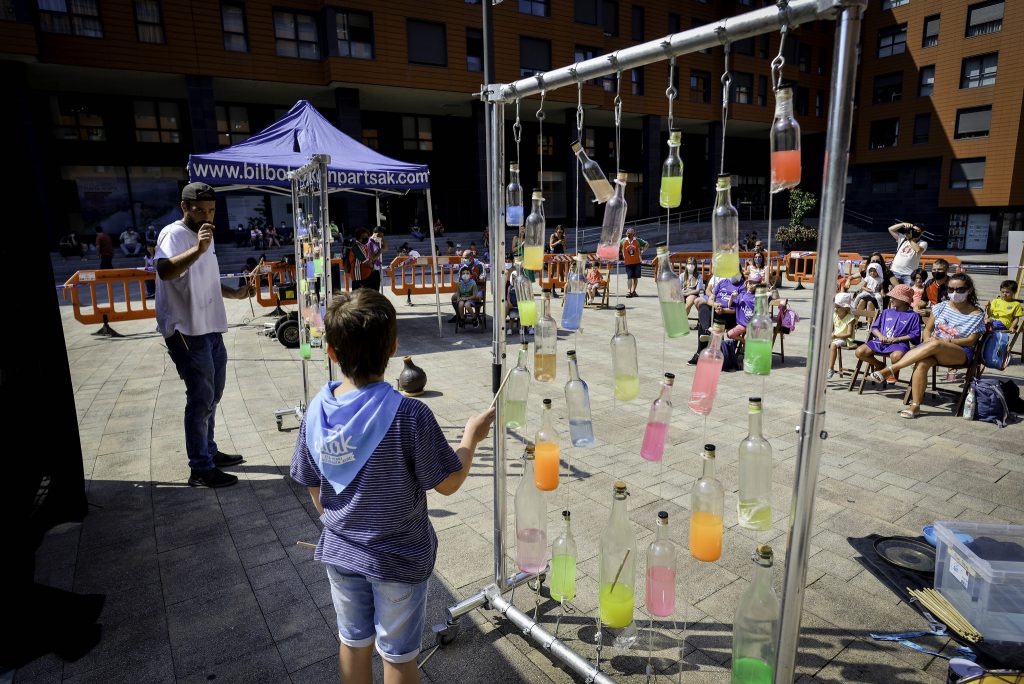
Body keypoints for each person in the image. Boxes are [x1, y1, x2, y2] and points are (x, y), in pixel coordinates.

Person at [288, 291, 494, 684]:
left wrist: (343, 522)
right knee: (398, 657)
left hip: (341, 552)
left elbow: (312, 486)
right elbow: (449, 482)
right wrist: (471, 437)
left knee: (353, 642)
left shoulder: (316, 411)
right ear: (394, 347)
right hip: (398, 558)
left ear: (331, 352)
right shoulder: (410, 413)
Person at [155, 182, 255, 488]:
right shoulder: (174, 234)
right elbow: (164, 271)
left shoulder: (205, 235)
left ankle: (208, 452)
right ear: (184, 206)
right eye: (200, 209)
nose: (207, 215)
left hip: (210, 326)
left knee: (214, 394)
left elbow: (206, 280)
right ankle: (200, 467)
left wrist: (236, 294)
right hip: (187, 329)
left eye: (211, 210)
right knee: (200, 398)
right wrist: (198, 248)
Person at [872, 274, 985, 418]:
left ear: (969, 290)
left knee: (936, 343)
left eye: (960, 289)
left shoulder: (976, 314)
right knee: (921, 363)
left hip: (960, 353)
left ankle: (891, 369)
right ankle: (915, 406)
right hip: (933, 348)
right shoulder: (940, 307)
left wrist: (945, 342)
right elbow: (927, 330)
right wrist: (927, 340)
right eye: (951, 289)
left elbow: (971, 340)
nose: (954, 293)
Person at [853, 283, 920, 387]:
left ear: (903, 300)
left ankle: (893, 371)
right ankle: (880, 365)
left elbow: (915, 334)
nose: (891, 299)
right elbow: (874, 328)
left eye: (894, 297)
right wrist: (880, 336)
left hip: (899, 344)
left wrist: (897, 339)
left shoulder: (913, 316)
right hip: (880, 341)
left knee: (896, 356)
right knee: (860, 352)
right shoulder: (886, 312)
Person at [690, 270, 744, 364]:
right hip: (717, 310)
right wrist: (715, 305)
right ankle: (708, 330)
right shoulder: (722, 282)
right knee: (703, 306)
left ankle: (699, 353)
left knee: (707, 323)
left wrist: (723, 310)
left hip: (730, 315)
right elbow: (710, 300)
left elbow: (737, 309)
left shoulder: (742, 286)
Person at [827, 292, 858, 379]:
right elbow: (831, 328)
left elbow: (849, 334)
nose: (836, 309)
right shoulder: (835, 315)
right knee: (822, 344)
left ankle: (831, 368)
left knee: (833, 346)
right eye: (835, 307)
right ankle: (823, 365)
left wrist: (836, 336)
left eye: (838, 307)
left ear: (845, 308)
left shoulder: (850, 318)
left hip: (846, 339)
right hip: (835, 337)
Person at [450, 250, 484, 322]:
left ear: (471, 257)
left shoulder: (479, 265)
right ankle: (458, 315)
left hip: (476, 289)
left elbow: (482, 276)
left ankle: (477, 315)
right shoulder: (463, 267)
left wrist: (479, 277)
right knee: (454, 297)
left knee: (477, 296)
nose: (464, 259)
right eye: (463, 257)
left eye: (465, 257)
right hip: (465, 290)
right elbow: (460, 281)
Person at [726, 272, 761, 341]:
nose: (751, 285)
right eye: (750, 283)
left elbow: (773, 296)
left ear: (758, 284)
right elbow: (729, 305)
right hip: (741, 324)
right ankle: (743, 341)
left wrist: (772, 290)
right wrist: (732, 297)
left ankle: (747, 347)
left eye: (754, 283)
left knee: (748, 338)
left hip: (753, 325)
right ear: (746, 283)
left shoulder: (758, 296)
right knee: (729, 334)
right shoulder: (742, 294)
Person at [620, 228, 648, 298]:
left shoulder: (637, 240)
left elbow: (646, 244)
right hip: (628, 262)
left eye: (630, 233)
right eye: (628, 233)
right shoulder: (623, 241)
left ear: (633, 234)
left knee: (635, 278)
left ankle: (633, 291)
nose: (629, 234)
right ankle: (629, 292)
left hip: (637, 262)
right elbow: (618, 247)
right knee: (629, 277)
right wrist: (623, 253)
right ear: (626, 234)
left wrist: (642, 251)